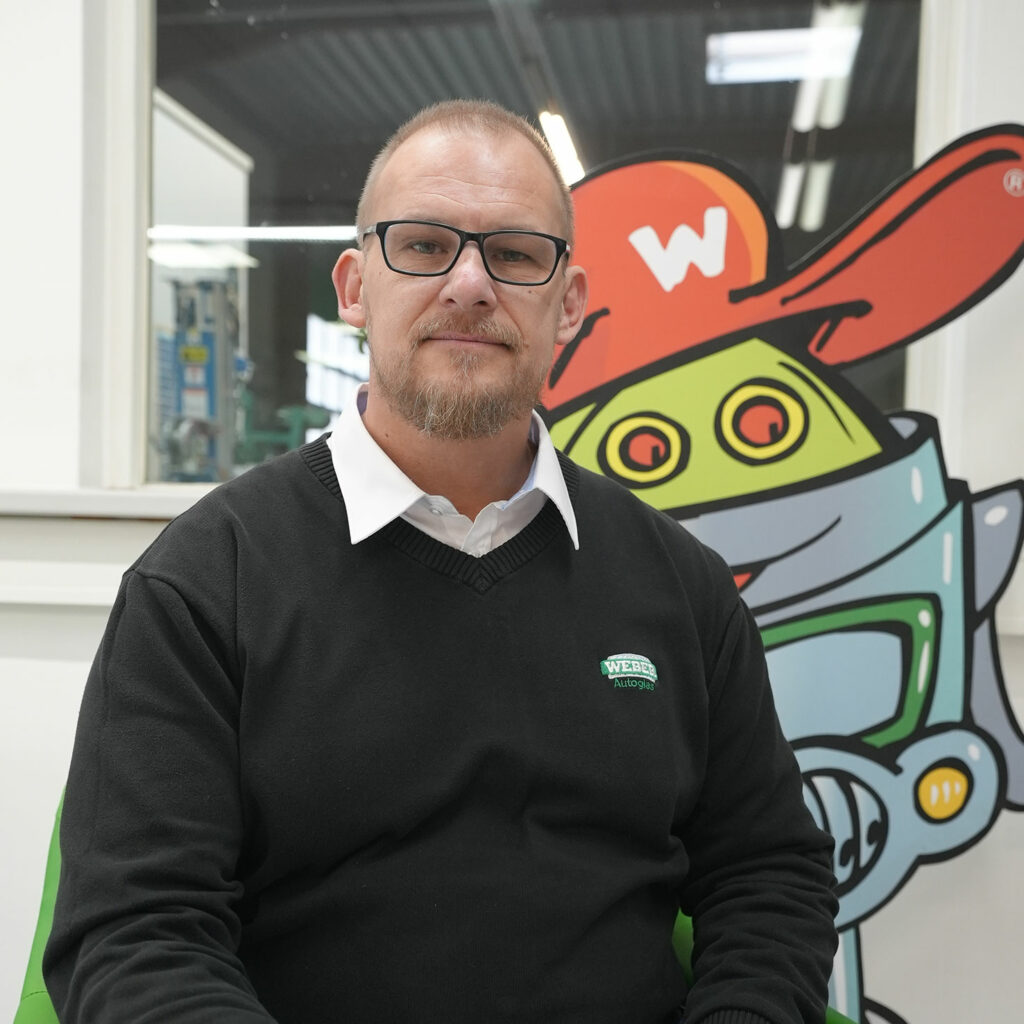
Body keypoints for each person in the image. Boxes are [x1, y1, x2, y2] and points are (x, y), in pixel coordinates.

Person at [44, 99, 838, 1024]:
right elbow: (136, 934)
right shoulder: (203, 585)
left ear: (569, 304)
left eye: (516, 254)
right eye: (423, 245)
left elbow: (768, 876)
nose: (469, 285)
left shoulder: (683, 589)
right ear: (354, 287)